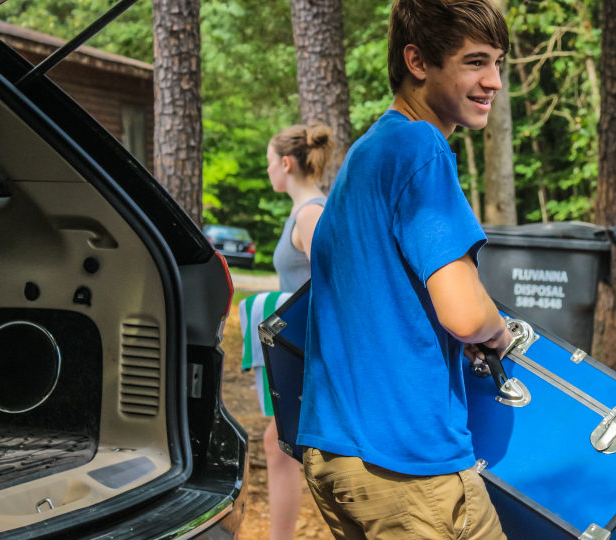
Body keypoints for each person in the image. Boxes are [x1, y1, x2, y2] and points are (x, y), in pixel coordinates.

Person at [296, 0, 513, 538]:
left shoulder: (368, 154)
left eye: (499, 63)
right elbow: (464, 315)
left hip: (336, 453)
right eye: (475, 62)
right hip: (408, 462)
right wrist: (498, 328)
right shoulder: (422, 147)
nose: (495, 82)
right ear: (418, 61)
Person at [240, 122, 334, 540]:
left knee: (281, 447)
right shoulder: (308, 209)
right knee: (277, 447)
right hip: (301, 349)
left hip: (311, 354)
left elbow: (337, 282)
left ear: (285, 163)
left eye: (267, 164)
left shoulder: (311, 213)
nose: (267, 173)